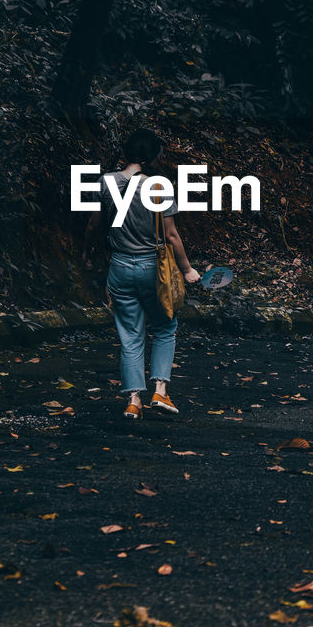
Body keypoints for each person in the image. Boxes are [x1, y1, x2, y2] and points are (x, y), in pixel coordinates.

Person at [84, 129, 200, 420]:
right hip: (154, 269)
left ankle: (133, 400)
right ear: (152, 156)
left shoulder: (106, 182)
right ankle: (160, 390)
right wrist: (187, 270)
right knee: (164, 327)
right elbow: (171, 235)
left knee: (130, 335)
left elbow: (93, 225)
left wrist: (85, 254)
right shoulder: (159, 186)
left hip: (120, 267)